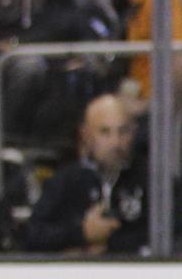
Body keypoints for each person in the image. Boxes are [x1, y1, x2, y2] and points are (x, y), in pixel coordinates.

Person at [19, 88, 148, 255]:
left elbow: (174, 235)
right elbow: (33, 236)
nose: (116, 143)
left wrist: (110, 245)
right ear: (86, 135)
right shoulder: (66, 182)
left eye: (123, 132)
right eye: (105, 132)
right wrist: (81, 233)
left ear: (134, 132)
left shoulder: (151, 180)